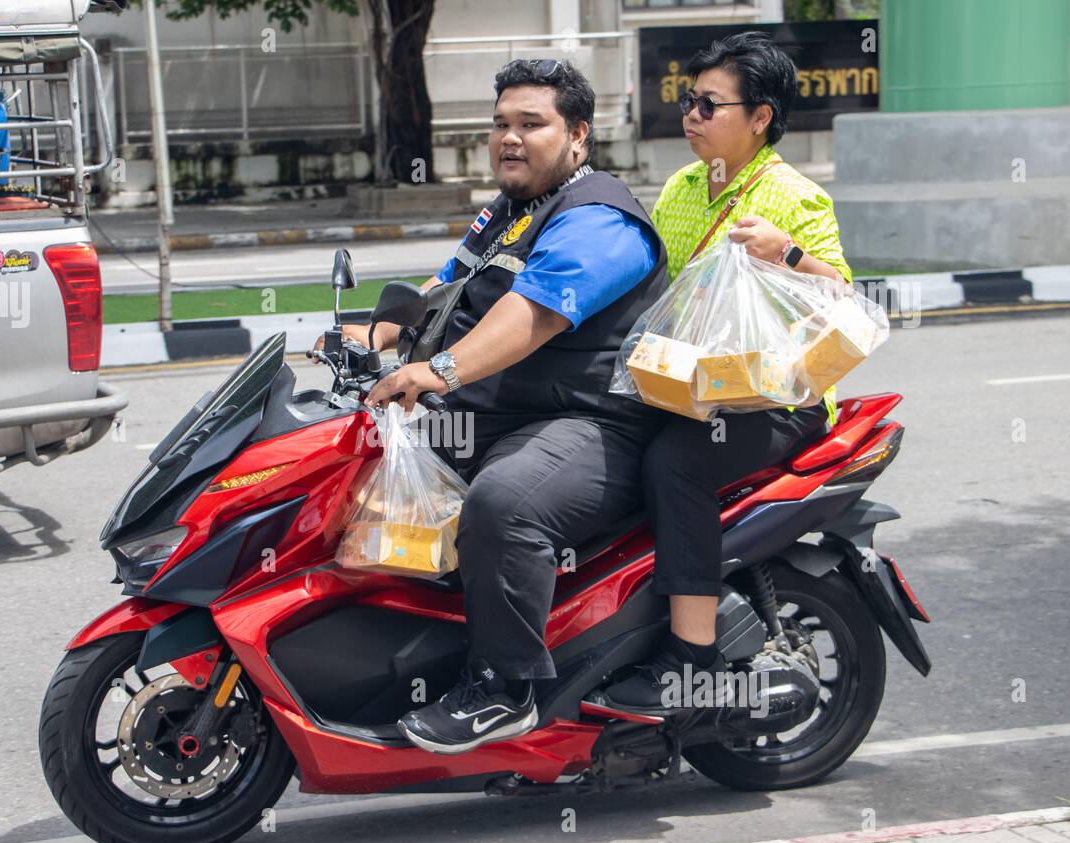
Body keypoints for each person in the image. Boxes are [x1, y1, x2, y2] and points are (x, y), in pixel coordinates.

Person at [347, 59, 669, 753]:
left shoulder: (600, 220)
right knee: (357, 469)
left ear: (578, 135)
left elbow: (536, 315)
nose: (510, 139)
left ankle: (504, 687)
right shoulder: (508, 211)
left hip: (592, 424)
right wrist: (371, 335)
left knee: (503, 504)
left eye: (531, 124)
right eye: (500, 125)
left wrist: (440, 370)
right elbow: (445, 289)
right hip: (507, 412)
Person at [592, 31, 855, 712]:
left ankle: (691, 658)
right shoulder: (681, 189)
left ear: (760, 116)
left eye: (710, 105)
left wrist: (787, 255)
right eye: (689, 101)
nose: (692, 115)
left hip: (769, 404)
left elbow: (845, 301)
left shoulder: (795, 198)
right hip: (690, 387)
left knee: (675, 464)